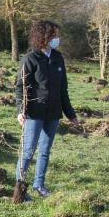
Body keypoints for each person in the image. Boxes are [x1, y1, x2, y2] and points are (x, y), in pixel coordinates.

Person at [15, 20, 78, 200]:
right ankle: (20, 190)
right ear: (43, 36)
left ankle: (39, 185)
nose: (57, 38)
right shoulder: (30, 59)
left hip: (53, 114)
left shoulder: (58, 58)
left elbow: (62, 89)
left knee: (44, 150)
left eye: (57, 35)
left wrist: (70, 114)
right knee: (28, 151)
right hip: (34, 113)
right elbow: (20, 87)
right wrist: (21, 110)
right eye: (54, 35)